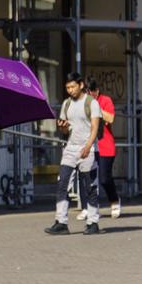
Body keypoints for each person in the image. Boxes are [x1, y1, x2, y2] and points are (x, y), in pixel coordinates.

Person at [44, 73, 101, 235]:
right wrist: (61, 126)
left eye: (73, 87)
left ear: (81, 85)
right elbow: (65, 129)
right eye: (67, 88)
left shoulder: (92, 103)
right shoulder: (66, 104)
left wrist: (88, 146)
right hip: (70, 148)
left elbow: (95, 127)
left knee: (90, 186)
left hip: (88, 148)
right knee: (62, 184)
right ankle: (61, 222)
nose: (70, 90)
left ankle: (93, 222)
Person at [87, 78, 121, 219]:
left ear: (97, 91)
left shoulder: (105, 100)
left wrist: (96, 109)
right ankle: (91, 208)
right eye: (88, 93)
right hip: (90, 145)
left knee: (104, 179)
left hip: (105, 145)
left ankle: (114, 201)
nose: (90, 96)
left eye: (92, 93)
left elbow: (111, 118)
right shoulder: (83, 103)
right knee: (89, 179)